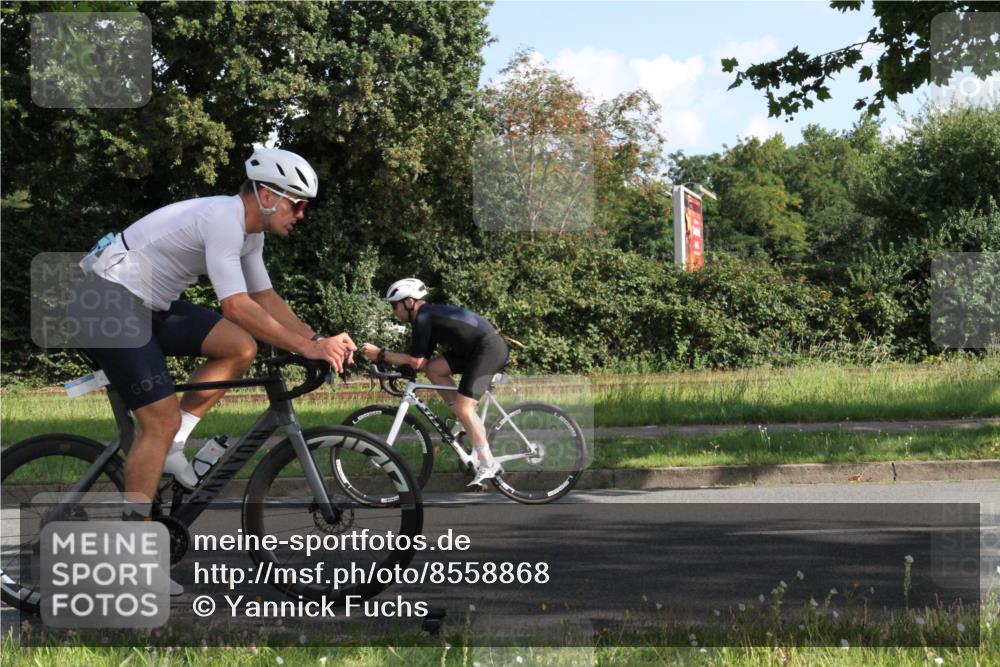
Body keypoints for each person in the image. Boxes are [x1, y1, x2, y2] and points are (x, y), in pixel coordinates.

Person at [77, 148, 355, 552]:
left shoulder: (250, 234)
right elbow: (237, 305)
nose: (301, 215)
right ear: (266, 195)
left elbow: (264, 298)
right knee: (158, 422)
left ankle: (175, 444)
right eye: (297, 204)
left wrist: (316, 342)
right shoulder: (224, 218)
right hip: (109, 305)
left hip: (146, 305)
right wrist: (305, 347)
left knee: (239, 346)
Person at [360, 278, 510, 487]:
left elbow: (414, 360)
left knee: (464, 408)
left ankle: (487, 463)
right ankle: (463, 419)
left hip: (488, 349)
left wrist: (381, 354)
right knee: (434, 369)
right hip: (475, 349)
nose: (393, 311)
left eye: (394, 306)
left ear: (409, 303)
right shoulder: (426, 317)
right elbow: (421, 363)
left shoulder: (423, 318)